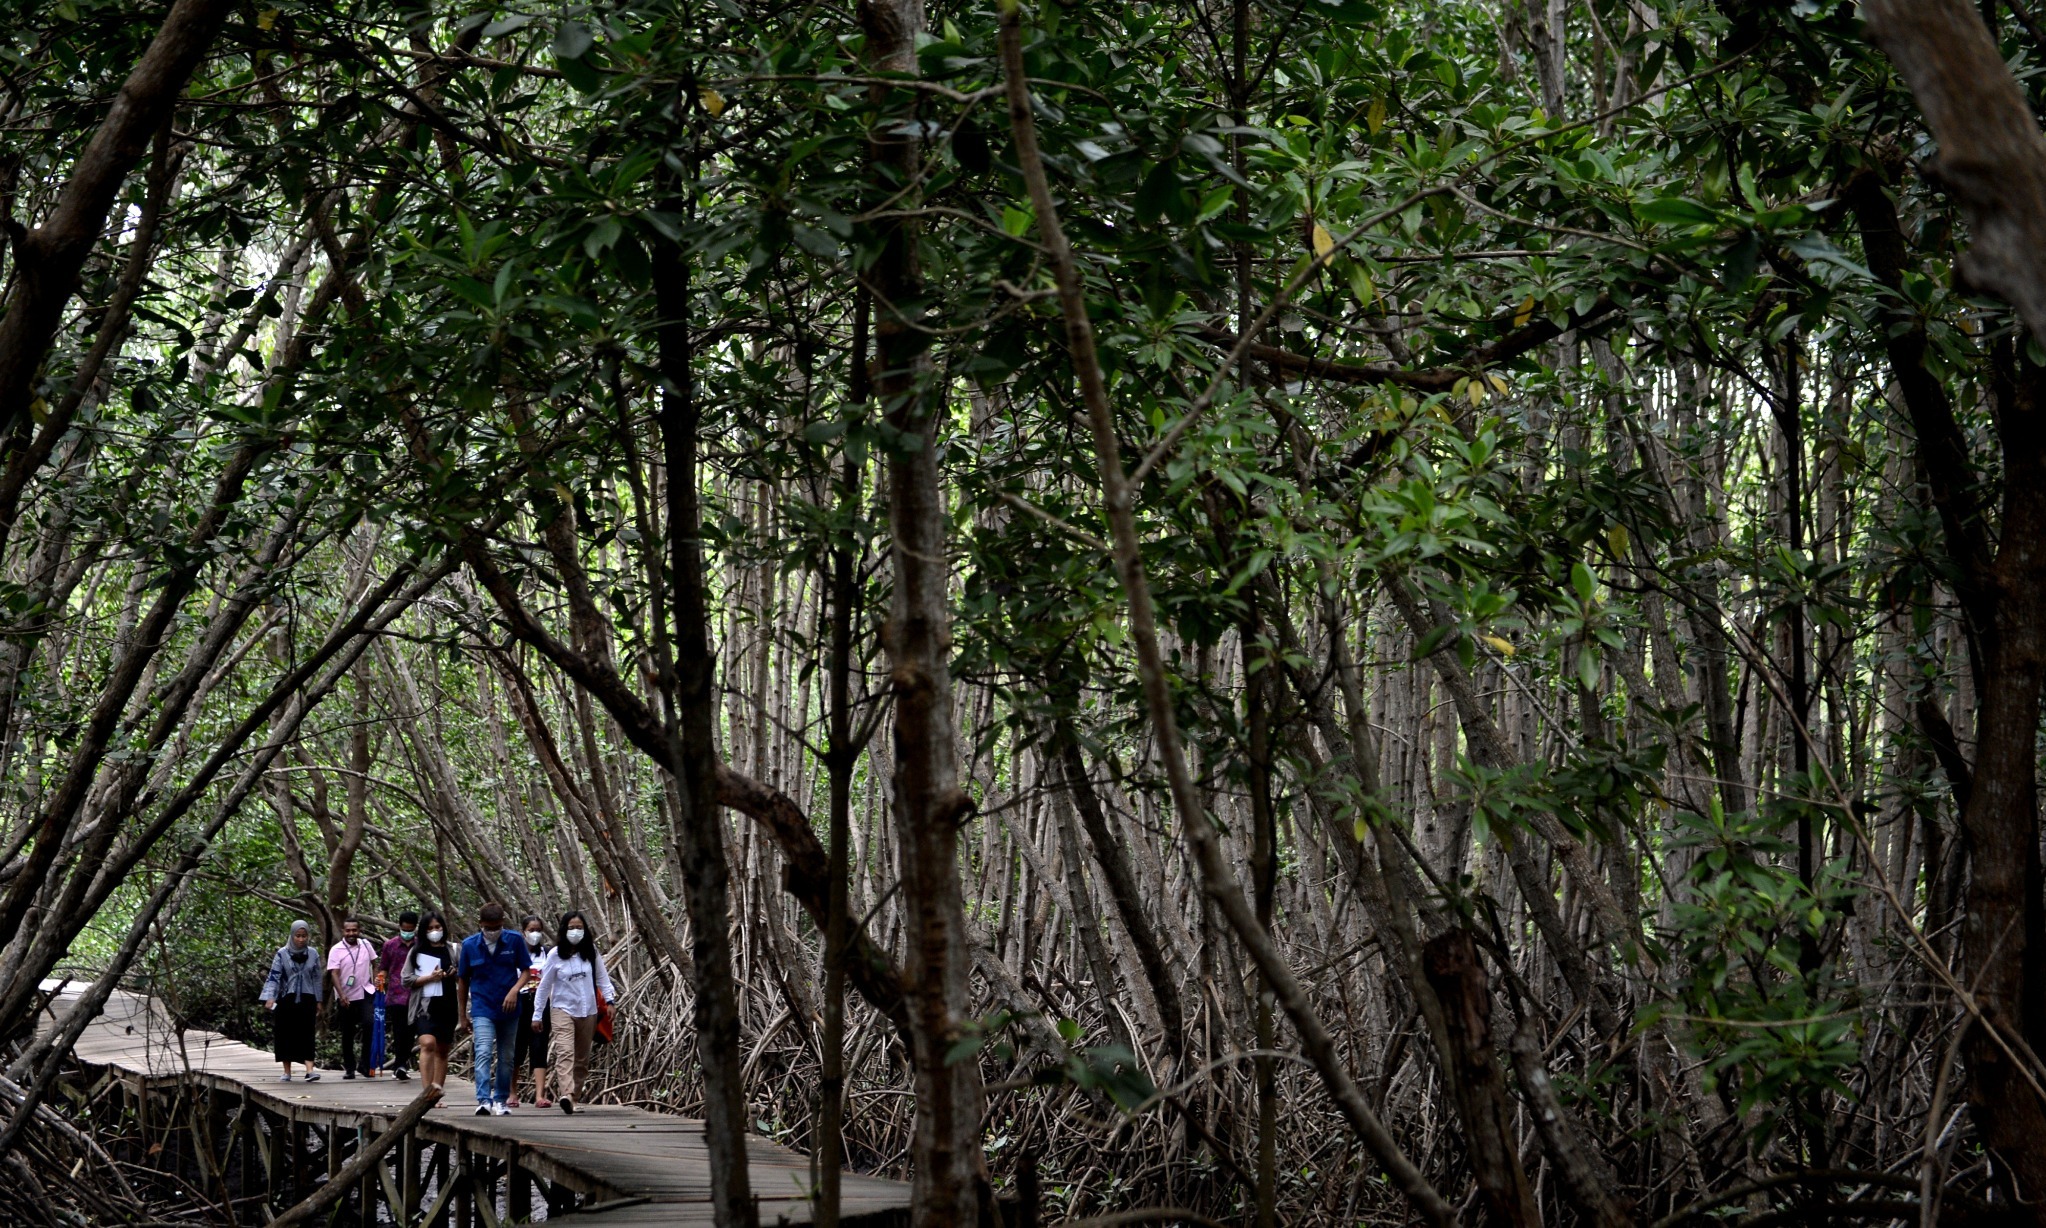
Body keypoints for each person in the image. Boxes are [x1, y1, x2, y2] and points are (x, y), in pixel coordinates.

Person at [533, 909, 613, 1115]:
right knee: (565, 1052)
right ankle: (566, 1094)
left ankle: (573, 1098)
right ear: (564, 930)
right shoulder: (554, 955)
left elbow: (602, 978)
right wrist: (537, 1014)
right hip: (562, 1008)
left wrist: (611, 1001)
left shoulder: (591, 952)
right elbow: (543, 986)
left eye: (579, 928)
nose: (575, 931)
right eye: (571, 928)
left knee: (582, 1059)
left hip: (588, 1010)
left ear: (585, 930)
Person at [456, 902, 531, 1116]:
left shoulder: (514, 940)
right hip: (482, 1007)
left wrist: (515, 990)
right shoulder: (470, 945)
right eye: (488, 928)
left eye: (496, 927)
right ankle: (483, 1099)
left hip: (509, 1008)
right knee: (483, 1051)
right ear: (480, 925)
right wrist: (462, 1015)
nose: (492, 932)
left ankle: (501, 1099)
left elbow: (526, 970)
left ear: (503, 924)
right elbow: (463, 981)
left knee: (507, 1056)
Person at [260, 920, 325, 1082]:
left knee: (307, 1033)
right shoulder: (282, 954)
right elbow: (274, 976)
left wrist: (319, 999)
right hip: (286, 998)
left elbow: (317, 978)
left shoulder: (313, 954)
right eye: (298, 936)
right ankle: (287, 1071)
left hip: (307, 998)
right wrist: (270, 996)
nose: (301, 939)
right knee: (285, 1033)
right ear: (292, 935)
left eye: (304, 936)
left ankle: (310, 1070)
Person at [402, 911, 457, 1095]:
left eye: (437, 927)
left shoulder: (453, 950)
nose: (434, 931)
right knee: (427, 1043)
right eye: (430, 928)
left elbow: (464, 977)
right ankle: (426, 1093)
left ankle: (436, 1093)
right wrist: (429, 978)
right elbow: (406, 979)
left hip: (447, 1004)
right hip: (424, 1006)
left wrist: (453, 974)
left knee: (442, 1050)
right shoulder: (417, 951)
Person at [326, 916, 380, 1079]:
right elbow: (333, 973)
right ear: (343, 931)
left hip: (365, 991)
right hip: (346, 995)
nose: (351, 933)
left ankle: (364, 1064)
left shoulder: (366, 945)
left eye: (354, 930)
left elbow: (375, 962)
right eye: (348, 930)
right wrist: (341, 995)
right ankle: (350, 1068)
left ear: (359, 931)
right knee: (348, 1032)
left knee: (370, 1025)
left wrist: (377, 980)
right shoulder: (336, 950)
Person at [509, 914, 553, 1108]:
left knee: (539, 1047)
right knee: (516, 1049)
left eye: (538, 930)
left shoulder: (547, 954)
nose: (535, 934)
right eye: (531, 930)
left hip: (541, 1005)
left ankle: (539, 1095)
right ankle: (511, 1093)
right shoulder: (514, 954)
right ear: (523, 932)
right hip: (519, 1004)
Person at [380, 911, 419, 1082]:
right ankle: (400, 1065)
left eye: (410, 929)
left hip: (416, 994)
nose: (407, 932)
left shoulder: (421, 945)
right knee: (399, 1030)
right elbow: (384, 967)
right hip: (396, 995)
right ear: (399, 927)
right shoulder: (390, 945)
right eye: (404, 929)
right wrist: (380, 978)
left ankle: (402, 1063)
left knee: (411, 1032)